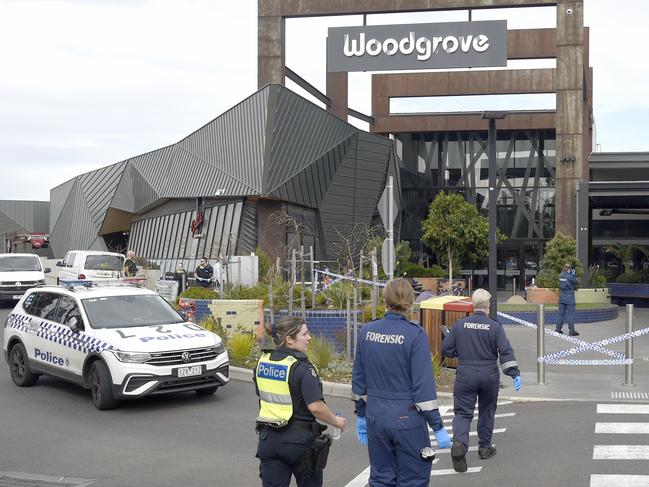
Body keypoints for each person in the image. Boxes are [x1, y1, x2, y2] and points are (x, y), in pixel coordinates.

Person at [352, 278, 451, 487]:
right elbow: (423, 388)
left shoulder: (366, 332)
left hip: (376, 417)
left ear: (385, 300)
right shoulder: (415, 335)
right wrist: (437, 426)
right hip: (407, 420)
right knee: (413, 479)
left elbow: (359, 379)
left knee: (380, 479)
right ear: (410, 302)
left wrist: (360, 413)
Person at [254, 316, 346, 487]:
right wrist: (336, 421)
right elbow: (316, 407)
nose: (309, 338)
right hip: (299, 443)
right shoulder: (302, 367)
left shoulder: (262, 362)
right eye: (304, 334)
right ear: (289, 339)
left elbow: (262, 394)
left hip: (269, 440)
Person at [441, 288, 521, 473]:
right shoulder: (495, 326)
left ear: (472, 304)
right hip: (489, 375)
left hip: (466, 374)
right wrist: (513, 372)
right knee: (486, 411)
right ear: (488, 305)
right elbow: (505, 351)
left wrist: (457, 352)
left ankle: (460, 444)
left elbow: (446, 348)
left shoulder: (460, 325)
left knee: (462, 413)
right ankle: (485, 448)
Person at [556, 263, 579, 336]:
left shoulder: (560, 275)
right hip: (569, 297)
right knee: (570, 315)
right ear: (569, 269)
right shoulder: (570, 276)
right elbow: (575, 282)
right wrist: (574, 275)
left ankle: (558, 329)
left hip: (562, 297)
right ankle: (571, 331)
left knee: (560, 314)